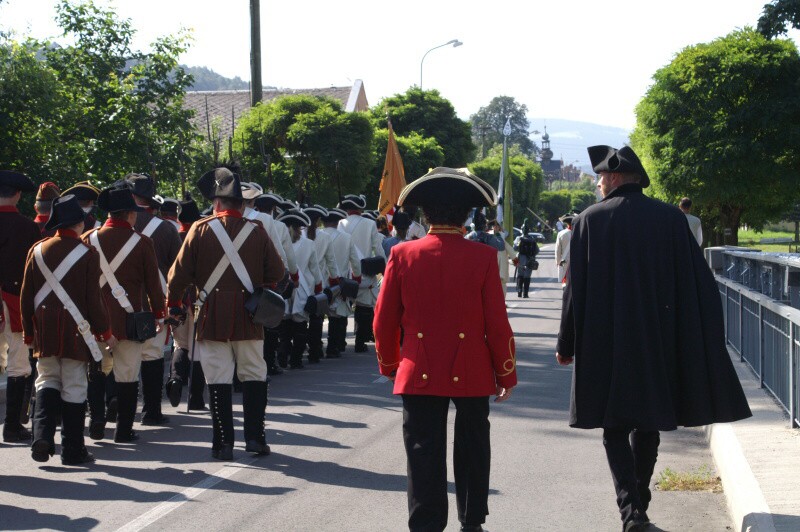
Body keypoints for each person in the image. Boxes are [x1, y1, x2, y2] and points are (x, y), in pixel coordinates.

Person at [556, 145, 752, 532]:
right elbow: (698, 283)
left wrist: (567, 343)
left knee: (614, 426)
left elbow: (574, 290)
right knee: (646, 423)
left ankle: (633, 512)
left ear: (612, 178)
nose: (597, 185)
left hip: (606, 339)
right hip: (658, 337)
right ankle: (638, 507)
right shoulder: (670, 219)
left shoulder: (589, 221)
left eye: (599, 178)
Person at [374, 167, 516, 532]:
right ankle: (471, 522)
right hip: (471, 366)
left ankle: (426, 525)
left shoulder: (402, 255)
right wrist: (505, 372)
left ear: (424, 214)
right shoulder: (482, 257)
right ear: (467, 215)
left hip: (416, 366)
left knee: (423, 451)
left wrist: (391, 363)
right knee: (472, 448)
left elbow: (383, 321)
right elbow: (496, 323)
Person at [166, 167, 284, 460]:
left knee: (217, 378)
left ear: (216, 204)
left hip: (211, 316)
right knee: (254, 374)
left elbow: (177, 277)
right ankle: (256, 439)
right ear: (242, 205)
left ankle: (223, 443)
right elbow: (278, 273)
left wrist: (174, 305)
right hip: (250, 316)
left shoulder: (199, 229)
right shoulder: (257, 231)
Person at [20, 194, 117, 464]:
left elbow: (26, 298)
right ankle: (73, 450)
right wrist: (105, 333)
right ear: (78, 223)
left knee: (46, 380)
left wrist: (29, 332)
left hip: (45, 329)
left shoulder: (37, 250)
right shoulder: (87, 254)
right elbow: (93, 301)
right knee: (74, 385)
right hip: (76, 331)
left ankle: (41, 437)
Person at [83, 182, 166, 443]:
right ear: (129, 214)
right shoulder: (142, 242)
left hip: (94, 319)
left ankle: (97, 419)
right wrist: (159, 315)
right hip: (130, 319)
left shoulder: (88, 239)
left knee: (95, 370)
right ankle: (123, 430)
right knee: (127, 374)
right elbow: (154, 285)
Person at [125, 173, 181, 426]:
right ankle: (151, 410)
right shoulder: (167, 229)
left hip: (119, 303)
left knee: (121, 357)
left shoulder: (105, 227)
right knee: (152, 355)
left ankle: (116, 405)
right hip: (154, 301)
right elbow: (178, 271)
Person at [0, 170, 41, 443]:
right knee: (18, 365)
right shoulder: (28, 228)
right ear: (17, 195)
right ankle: (12, 426)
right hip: (13, 301)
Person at [165, 192, 207, 411]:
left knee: (180, 344)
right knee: (197, 348)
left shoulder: (173, 235)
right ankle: (196, 399)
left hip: (177, 298)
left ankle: (175, 378)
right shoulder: (200, 237)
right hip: (197, 299)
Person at [253, 191, 299, 375]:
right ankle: (269, 363)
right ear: (273, 208)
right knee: (270, 324)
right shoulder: (278, 226)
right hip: (270, 280)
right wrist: (290, 277)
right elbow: (285, 255)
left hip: (245, 280)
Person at [337, 194, 386, 353]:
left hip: (344, 270)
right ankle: (360, 341)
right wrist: (384, 265)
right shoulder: (370, 223)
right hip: (364, 271)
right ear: (360, 208)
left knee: (343, 305)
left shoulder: (340, 223)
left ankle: (339, 342)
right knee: (364, 307)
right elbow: (377, 248)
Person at [276, 208, 322, 368]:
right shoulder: (309, 244)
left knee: (285, 327)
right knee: (300, 326)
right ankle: (296, 359)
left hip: (283, 286)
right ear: (299, 227)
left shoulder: (278, 242)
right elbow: (314, 268)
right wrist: (318, 287)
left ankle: (282, 355)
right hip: (302, 287)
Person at [320, 207, 362, 357]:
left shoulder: (317, 236)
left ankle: (317, 347)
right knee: (338, 315)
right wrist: (357, 277)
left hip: (320, 280)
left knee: (319, 314)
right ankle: (335, 345)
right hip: (340, 280)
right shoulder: (346, 238)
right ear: (338, 222)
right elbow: (355, 261)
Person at [303, 204, 338, 363]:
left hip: (302, 284)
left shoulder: (298, 235)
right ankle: (314, 351)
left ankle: (299, 348)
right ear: (318, 220)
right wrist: (335, 279)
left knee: (302, 319)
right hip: (319, 282)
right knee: (317, 319)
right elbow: (331, 261)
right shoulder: (325, 237)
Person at [555, 212, 576, 288]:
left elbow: (558, 250)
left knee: (565, 282)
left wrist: (558, 262)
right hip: (577, 261)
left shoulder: (561, 234)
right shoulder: (579, 232)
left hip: (565, 261)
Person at [515, 232, 538, 298]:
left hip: (520, 259)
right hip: (530, 260)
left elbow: (515, 248)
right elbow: (537, 250)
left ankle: (519, 291)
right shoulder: (532, 239)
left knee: (520, 275)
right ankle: (525, 294)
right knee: (527, 277)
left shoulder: (519, 238)